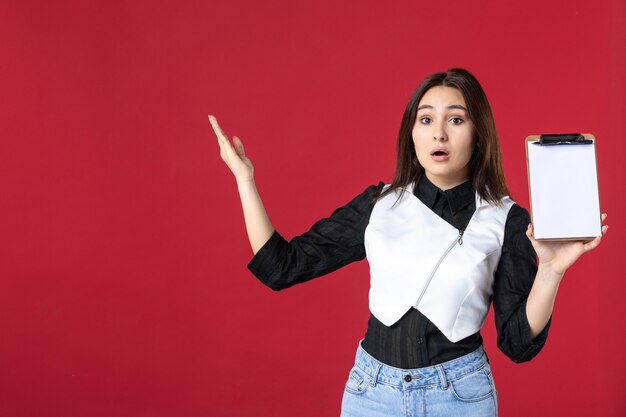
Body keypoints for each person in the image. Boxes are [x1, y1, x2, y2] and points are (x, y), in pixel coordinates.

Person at [209, 68, 608, 417]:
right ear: (411, 133)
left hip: (460, 397)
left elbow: (518, 343)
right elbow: (281, 266)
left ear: (478, 134)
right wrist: (245, 180)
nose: (438, 132)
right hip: (372, 394)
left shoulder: (507, 220)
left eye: (455, 119)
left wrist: (551, 272)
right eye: (425, 119)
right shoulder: (378, 205)